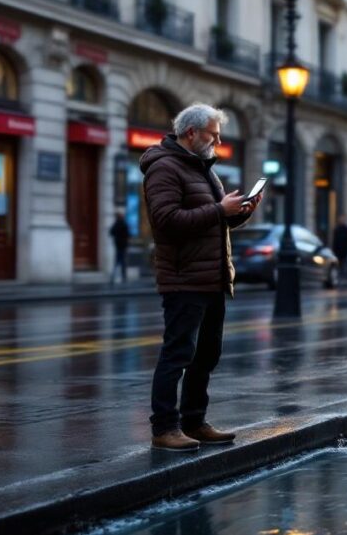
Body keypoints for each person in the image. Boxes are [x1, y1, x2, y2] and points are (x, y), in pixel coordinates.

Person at [141, 104, 260, 452]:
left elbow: (213, 221)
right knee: (177, 353)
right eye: (214, 134)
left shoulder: (203, 168)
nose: (218, 141)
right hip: (183, 277)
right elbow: (166, 220)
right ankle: (164, 428)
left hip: (212, 276)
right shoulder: (164, 167)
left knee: (206, 355)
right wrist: (219, 209)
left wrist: (240, 213)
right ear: (192, 132)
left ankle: (194, 421)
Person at [109, 208, 130, 285]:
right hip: (122, 246)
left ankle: (114, 276)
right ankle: (123, 277)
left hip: (118, 245)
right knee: (122, 262)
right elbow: (127, 235)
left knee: (117, 262)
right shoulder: (123, 224)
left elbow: (111, 232)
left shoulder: (117, 224)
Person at [332, 214, 347, 279]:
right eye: (340, 219)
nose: (341, 220)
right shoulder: (337, 229)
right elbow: (335, 241)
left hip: (346, 251)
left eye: (343, 219)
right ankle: (341, 275)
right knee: (340, 264)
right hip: (339, 251)